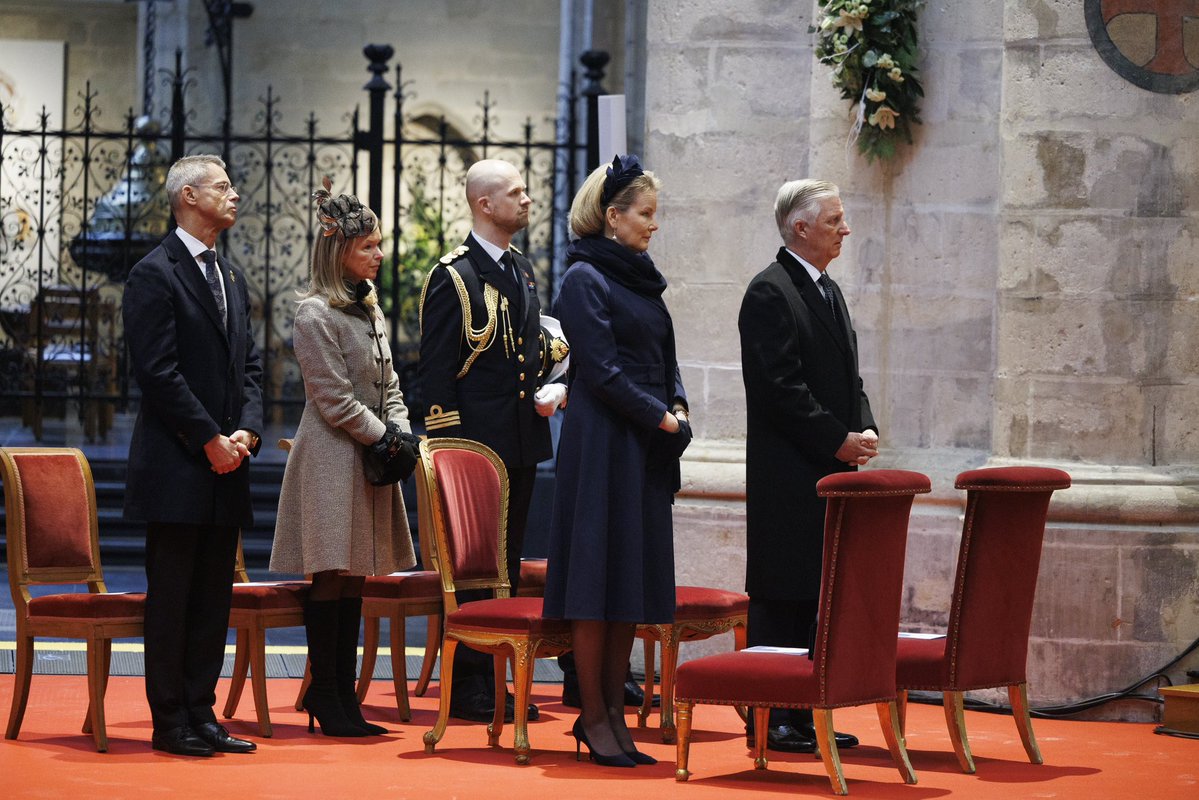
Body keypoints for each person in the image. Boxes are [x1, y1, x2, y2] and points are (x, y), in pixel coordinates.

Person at [542, 154, 691, 767]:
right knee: (595, 577)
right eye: (646, 214)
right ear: (612, 216)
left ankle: (615, 716)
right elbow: (599, 370)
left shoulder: (639, 276)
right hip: (604, 439)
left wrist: (677, 402)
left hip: (643, 443)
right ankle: (593, 713)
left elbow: (665, 353)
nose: (654, 225)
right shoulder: (585, 278)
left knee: (628, 575)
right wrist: (660, 416)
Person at [123, 154, 263, 757]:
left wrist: (248, 434)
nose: (234, 195)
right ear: (187, 198)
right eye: (222, 187)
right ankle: (170, 718)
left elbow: (251, 370)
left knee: (213, 597)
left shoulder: (232, 278)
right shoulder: (155, 274)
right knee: (175, 596)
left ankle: (203, 713)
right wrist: (210, 437)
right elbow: (158, 372)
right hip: (179, 463)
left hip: (227, 463)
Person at [270, 182, 419, 737]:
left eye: (379, 245)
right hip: (333, 455)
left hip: (372, 451)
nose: (379, 255)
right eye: (368, 247)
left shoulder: (369, 306)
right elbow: (333, 399)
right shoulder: (314, 313)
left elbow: (390, 381)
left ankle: (341, 693)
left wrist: (401, 431)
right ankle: (326, 695)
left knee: (357, 575)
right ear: (340, 253)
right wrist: (384, 438)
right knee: (331, 574)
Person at [418, 159, 565, 723]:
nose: (527, 200)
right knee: (471, 568)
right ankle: (471, 684)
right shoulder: (453, 275)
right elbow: (436, 371)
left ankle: (499, 676)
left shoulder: (521, 267)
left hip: (520, 440)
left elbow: (525, 352)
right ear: (485, 204)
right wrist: (452, 453)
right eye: (515, 192)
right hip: (475, 448)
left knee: (503, 563)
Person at [738, 179, 879, 753]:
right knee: (783, 594)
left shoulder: (827, 290)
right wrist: (836, 440)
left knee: (816, 595)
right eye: (834, 221)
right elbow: (779, 388)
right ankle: (771, 716)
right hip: (788, 475)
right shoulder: (770, 292)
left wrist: (864, 426)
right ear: (800, 228)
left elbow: (849, 375)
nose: (845, 229)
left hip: (826, 473)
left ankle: (803, 710)